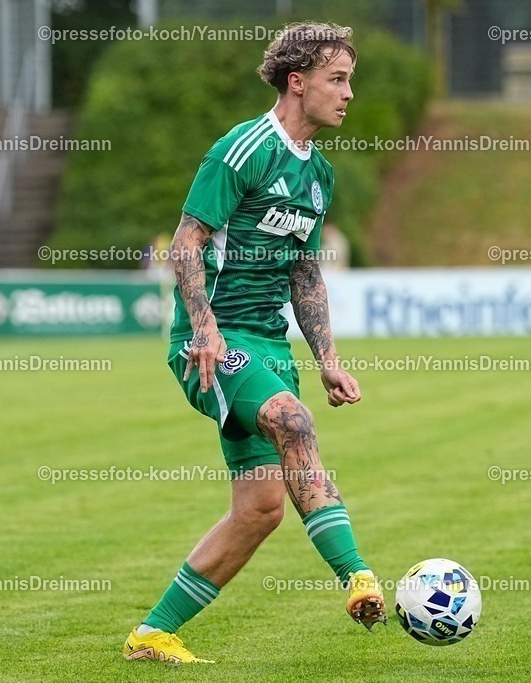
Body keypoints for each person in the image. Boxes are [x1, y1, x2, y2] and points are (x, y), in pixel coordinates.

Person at [124, 22, 384, 666]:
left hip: (268, 347)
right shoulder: (242, 150)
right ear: (297, 82)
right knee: (293, 421)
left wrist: (327, 361)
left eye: (349, 80)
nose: (349, 93)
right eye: (337, 79)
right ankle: (357, 576)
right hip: (211, 341)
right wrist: (205, 329)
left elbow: (305, 273)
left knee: (261, 510)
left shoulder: (319, 174)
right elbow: (185, 243)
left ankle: (153, 634)